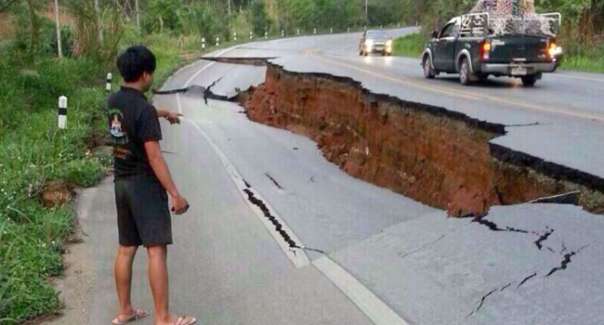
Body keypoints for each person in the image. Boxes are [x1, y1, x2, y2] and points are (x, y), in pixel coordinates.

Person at [107, 45, 196, 325]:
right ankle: (164, 317)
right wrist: (175, 194)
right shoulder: (143, 109)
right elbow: (154, 156)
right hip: (144, 186)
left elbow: (132, 115)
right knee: (156, 249)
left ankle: (125, 311)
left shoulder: (113, 102)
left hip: (121, 183)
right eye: (152, 74)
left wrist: (162, 113)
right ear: (145, 75)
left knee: (126, 248)